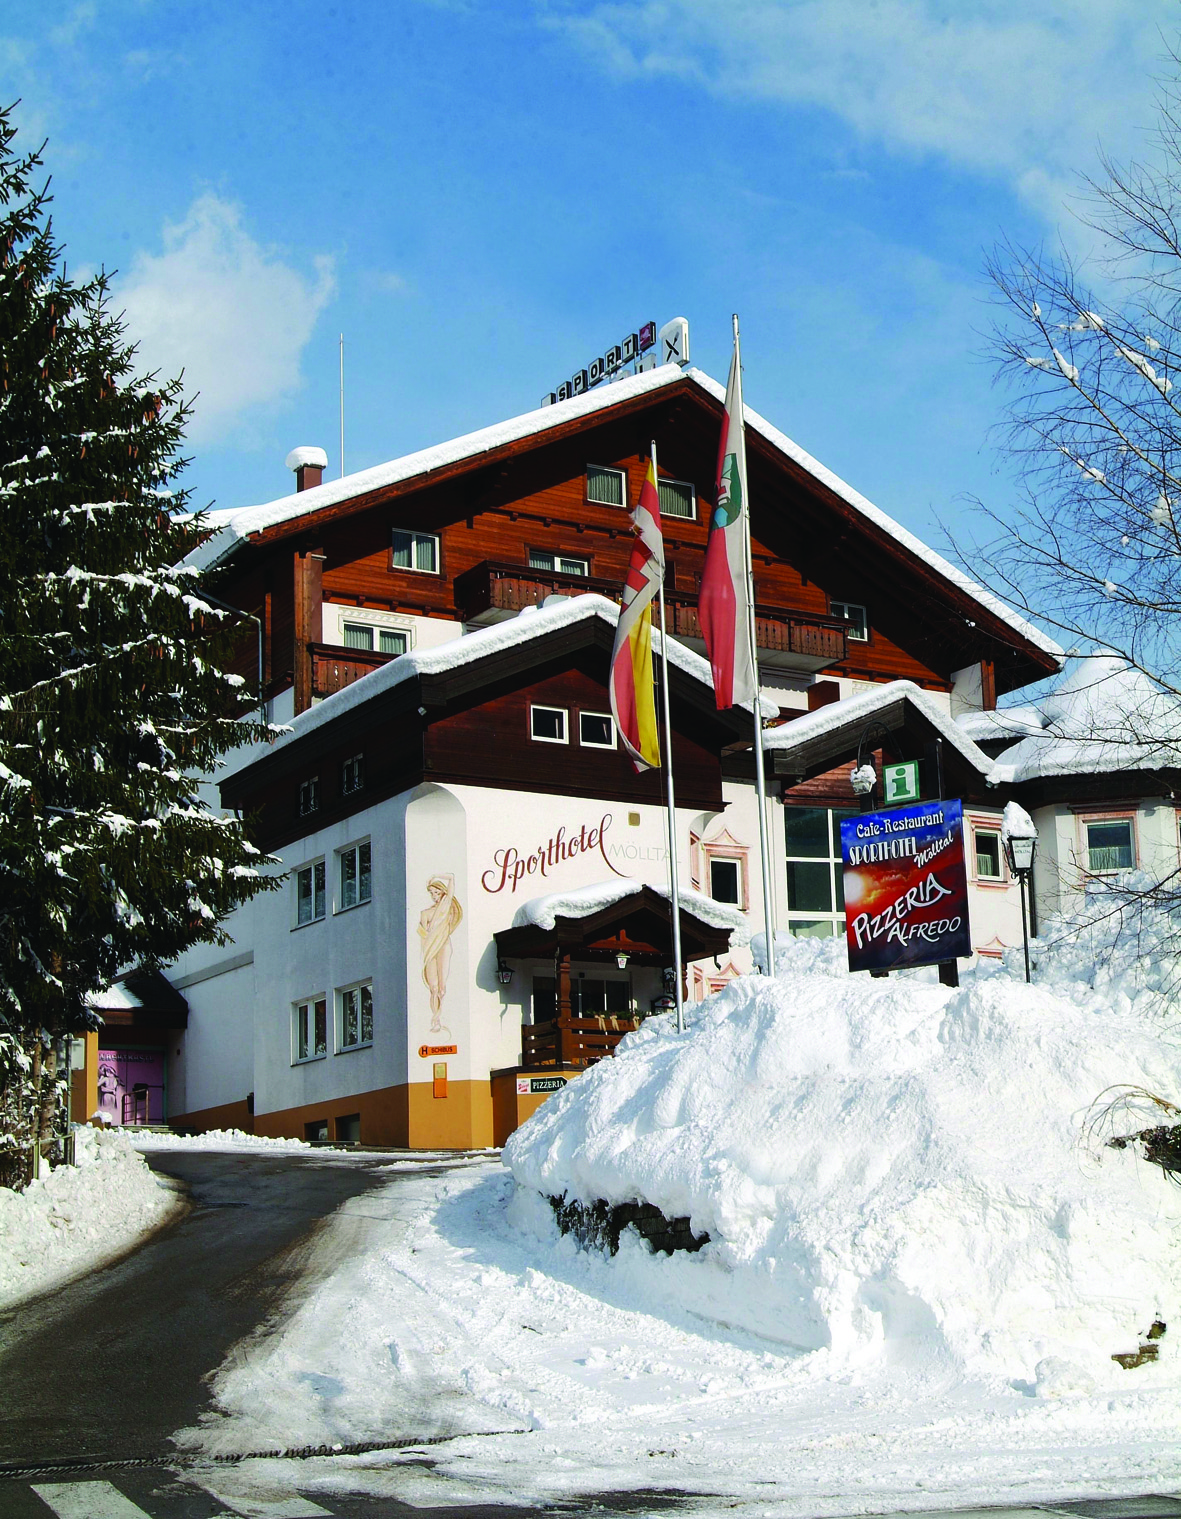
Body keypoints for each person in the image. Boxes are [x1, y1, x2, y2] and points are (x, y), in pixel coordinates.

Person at [419, 874, 462, 1031]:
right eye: (431, 893)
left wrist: (435, 876)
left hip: (443, 946)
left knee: (442, 988)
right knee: (433, 988)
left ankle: (439, 1016)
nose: (434, 896)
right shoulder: (425, 913)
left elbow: (451, 878)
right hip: (431, 949)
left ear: (443, 893)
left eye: (437, 892)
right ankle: (435, 1020)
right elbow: (422, 934)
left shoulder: (446, 906)